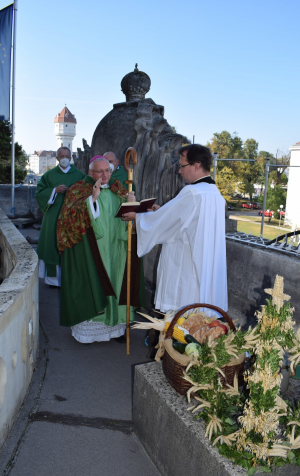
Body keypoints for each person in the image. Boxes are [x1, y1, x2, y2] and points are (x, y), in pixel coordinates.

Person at [122, 144, 228, 316]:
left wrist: (137, 217)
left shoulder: (192, 192)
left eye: (182, 166)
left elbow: (165, 224)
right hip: (207, 268)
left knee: (181, 319)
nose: (179, 171)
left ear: (196, 165)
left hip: (187, 267)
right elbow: (182, 219)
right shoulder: (215, 194)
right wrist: (162, 211)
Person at [56, 156, 145, 343]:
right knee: (97, 284)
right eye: (99, 171)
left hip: (117, 250)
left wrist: (130, 203)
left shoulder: (119, 188)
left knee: (117, 283)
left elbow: (127, 218)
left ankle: (116, 329)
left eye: (107, 171)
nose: (104, 175)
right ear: (90, 172)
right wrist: (92, 200)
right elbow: (69, 219)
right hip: (92, 249)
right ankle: (89, 332)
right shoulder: (78, 189)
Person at [35, 147, 84, 287]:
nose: (64, 158)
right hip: (53, 217)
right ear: (57, 158)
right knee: (52, 245)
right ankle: (53, 281)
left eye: (67, 156)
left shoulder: (79, 175)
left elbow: (85, 192)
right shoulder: (49, 175)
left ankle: (70, 280)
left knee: (70, 247)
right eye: (61, 156)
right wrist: (54, 191)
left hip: (71, 218)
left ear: (71, 157)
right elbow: (39, 193)